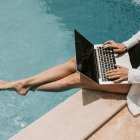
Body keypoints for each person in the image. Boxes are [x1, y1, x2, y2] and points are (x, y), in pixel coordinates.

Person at [0, 31, 139, 96]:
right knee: (77, 60)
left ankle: (21, 86)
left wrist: (130, 74)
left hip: (134, 80)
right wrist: (125, 45)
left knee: (76, 79)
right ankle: (22, 84)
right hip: (127, 56)